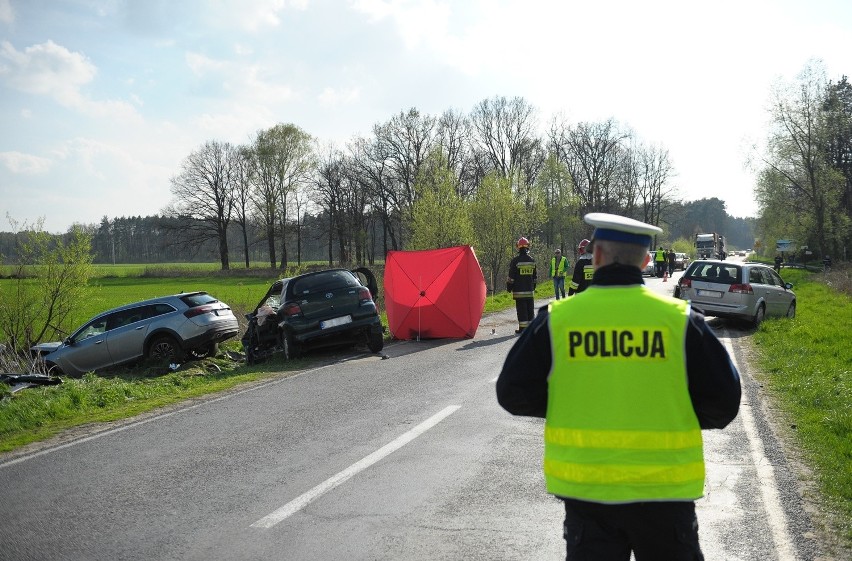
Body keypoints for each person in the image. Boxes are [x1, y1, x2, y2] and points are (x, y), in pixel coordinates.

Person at [496, 212, 741, 561]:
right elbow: (725, 403)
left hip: (589, 497)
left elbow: (512, 393)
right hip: (665, 496)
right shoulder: (681, 321)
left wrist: (571, 400)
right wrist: (671, 411)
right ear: (645, 261)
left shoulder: (558, 319)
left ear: (595, 257)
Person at [506, 237, 537, 333]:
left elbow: (511, 277)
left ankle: (523, 328)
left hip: (519, 291)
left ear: (518, 247)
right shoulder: (532, 260)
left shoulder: (515, 261)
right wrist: (533, 287)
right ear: (528, 247)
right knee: (530, 310)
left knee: (521, 311)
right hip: (529, 291)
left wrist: (509, 287)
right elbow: (535, 277)